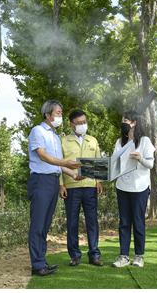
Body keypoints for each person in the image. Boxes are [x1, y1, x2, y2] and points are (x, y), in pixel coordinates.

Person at [27, 100, 81, 277]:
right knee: (38, 224)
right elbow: (43, 156)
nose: (61, 116)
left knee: (45, 224)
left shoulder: (56, 137)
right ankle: (37, 265)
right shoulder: (38, 131)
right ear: (48, 114)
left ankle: (41, 261)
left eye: (61, 113)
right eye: (58, 113)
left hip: (51, 181)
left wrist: (73, 174)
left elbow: (57, 165)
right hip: (40, 181)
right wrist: (66, 163)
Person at [59, 109, 104, 267]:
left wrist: (98, 181)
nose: (82, 125)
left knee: (92, 222)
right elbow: (58, 164)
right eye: (79, 123)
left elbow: (98, 162)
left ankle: (95, 255)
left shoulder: (93, 140)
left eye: (84, 122)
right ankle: (75, 255)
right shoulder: (63, 141)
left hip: (90, 187)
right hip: (71, 188)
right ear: (71, 124)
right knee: (72, 222)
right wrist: (61, 184)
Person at [111, 110, 155, 268]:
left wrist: (140, 158)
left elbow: (150, 164)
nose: (123, 123)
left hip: (140, 188)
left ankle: (139, 256)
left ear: (134, 122)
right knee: (124, 222)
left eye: (126, 120)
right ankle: (123, 256)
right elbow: (114, 163)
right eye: (122, 120)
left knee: (138, 222)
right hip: (122, 186)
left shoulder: (144, 141)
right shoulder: (119, 142)